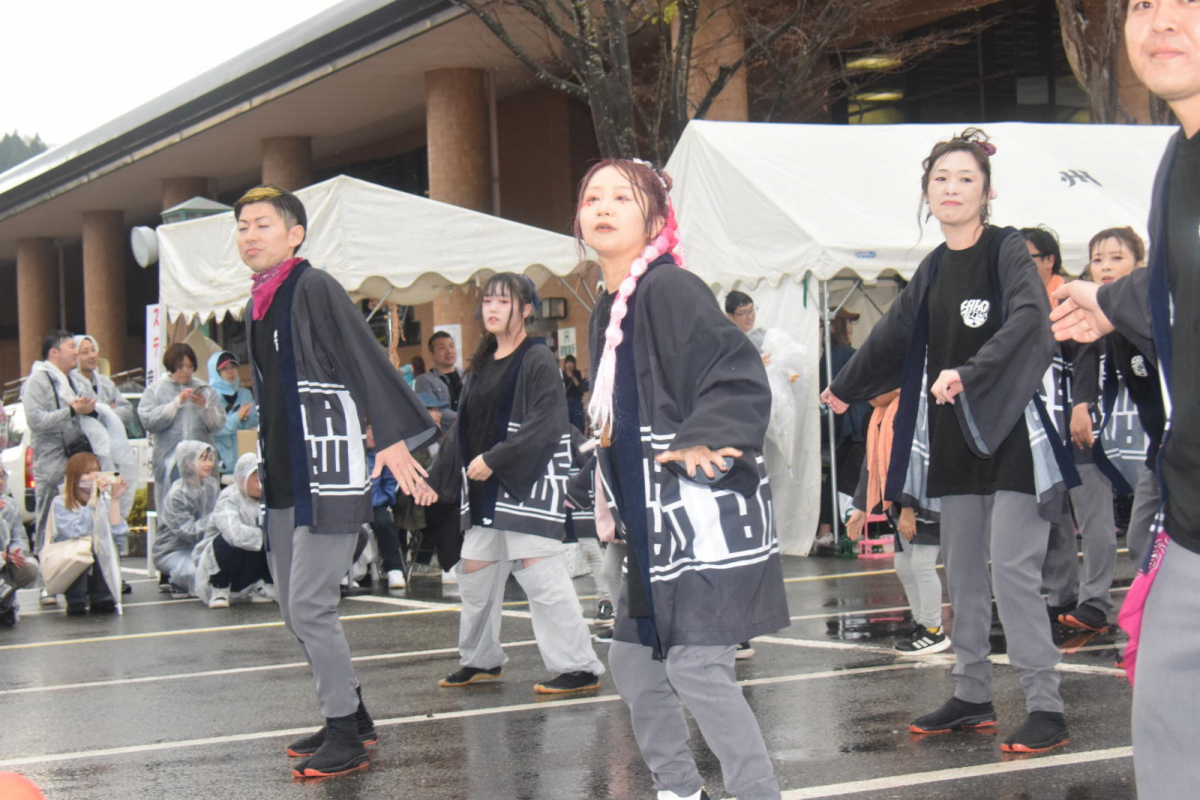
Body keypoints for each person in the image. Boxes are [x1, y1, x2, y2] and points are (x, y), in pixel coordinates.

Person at [823, 128, 1078, 754]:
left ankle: (1046, 704)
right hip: (953, 436)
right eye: (941, 179)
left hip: (1011, 431)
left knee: (1012, 571)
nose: (952, 188)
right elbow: (894, 332)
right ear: (926, 192)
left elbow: (1030, 319)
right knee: (960, 571)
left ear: (987, 192)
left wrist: (971, 370)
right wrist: (846, 388)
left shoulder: (1006, 249)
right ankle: (972, 694)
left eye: (966, 178)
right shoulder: (934, 266)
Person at [578, 158, 787, 800]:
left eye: (622, 197)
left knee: (697, 667)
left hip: (697, 517)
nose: (603, 206)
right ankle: (679, 789)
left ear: (656, 221)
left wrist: (705, 433)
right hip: (652, 529)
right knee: (634, 665)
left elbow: (736, 367)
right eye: (592, 197)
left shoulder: (669, 287)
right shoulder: (608, 307)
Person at [234, 185, 436, 780]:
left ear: (295, 234)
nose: (250, 235)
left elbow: (361, 356)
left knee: (311, 604)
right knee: (293, 610)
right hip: (283, 477)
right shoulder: (256, 304)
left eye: (263, 224)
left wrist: (391, 435)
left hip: (327, 471)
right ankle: (352, 715)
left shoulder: (312, 286)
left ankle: (345, 734)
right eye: (242, 226)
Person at [1049, 6, 1200, 784]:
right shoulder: (1179, 156)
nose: (1161, 20)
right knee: (1169, 732)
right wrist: (1110, 301)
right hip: (1191, 512)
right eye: (1142, 2)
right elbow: (1179, 288)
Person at [426, 272, 605, 695]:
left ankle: (579, 667)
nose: (492, 308)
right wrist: (435, 480)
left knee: (541, 575)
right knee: (474, 575)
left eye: (503, 302)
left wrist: (495, 459)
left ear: (525, 310)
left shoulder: (537, 358)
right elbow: (463, 428)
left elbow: (548, 422)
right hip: (485, 486)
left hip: (527, 482)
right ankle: (480, 660)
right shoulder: (480, 363)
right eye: (488, 300)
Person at [1021, 227, 1121, 634]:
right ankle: (1060, 596)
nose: (1021, 266)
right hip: (1046, 434)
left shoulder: (1071, 298)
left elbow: (1087, 357)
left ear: (1049, 260)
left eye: (1029, 258)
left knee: (1094, 519)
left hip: (1082, 426)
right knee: (1055, 518)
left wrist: (1082, 405)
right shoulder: (1023, 305)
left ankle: (1095, 601)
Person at [845, 389, 947, 655]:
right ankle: (922, 624)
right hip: (901, 503)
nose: (869, 395)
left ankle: (933, 630)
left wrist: (909, 507)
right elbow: (872, 464)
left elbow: (917, 461)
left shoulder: (912, 409)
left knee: (921, 565)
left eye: (876, 388)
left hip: (926, 499)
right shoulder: (879, 415)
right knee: (904, 566)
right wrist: (861, 509)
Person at [1086, 227, 1163, 573]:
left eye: (1117, 258)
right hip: (1159, 450)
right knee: (1140, 538)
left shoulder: (1153, 315)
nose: (1105, 266)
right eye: (1097, 259)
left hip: (1184, 448)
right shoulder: (1110, 324)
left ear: (1140, 265)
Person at [21, 331, 91, 556]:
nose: (76, 352)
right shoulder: (37, 381)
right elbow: (36, 420)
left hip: (77, 461)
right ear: (54, 352)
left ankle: (78, 569)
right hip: (51, 464)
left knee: (79, 518)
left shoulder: (74, 380)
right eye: (71, 347)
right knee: (48, 521)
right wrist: (71, 410)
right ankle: (47, 570)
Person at [138, 343, 224, 514]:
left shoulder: (205, 389)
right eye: (181, 366)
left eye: (190, 366)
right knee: (172, 509)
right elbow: (147, 421)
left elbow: (218, 424)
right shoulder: (155, 390)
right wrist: (174, 405)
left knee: (206, 509)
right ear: (171, 366)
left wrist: (205, 406)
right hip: (169, 463)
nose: (186, 371)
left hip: (202, 463)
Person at [46, 453, 129, 616]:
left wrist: (115, 500)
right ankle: (76, 598)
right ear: (74, 477)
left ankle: (102, 596)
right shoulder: (60, 502)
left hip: (98, 564)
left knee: (103, 545)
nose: (92, 477)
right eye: (86, 473)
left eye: (95, 471)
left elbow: (117, 536)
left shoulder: (103, 501)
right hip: (71, 561)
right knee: (83, 546)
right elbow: (76, 530)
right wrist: (92, 502)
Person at [816, 306, 869, 546]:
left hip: (838, 429)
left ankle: (825, 530)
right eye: (845, 322)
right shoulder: (847, 354)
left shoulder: (827, 356)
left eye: (850, 323)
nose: (849, 327)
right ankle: (847, 530)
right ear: (834, 326)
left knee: (834, 478)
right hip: (852, 429)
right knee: (848, 481)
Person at [192, 452, 274, 609]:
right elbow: (234, 533)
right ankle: (219, 587)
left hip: (248, 567)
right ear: (242, 479)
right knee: (228, 541)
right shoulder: (229, 498)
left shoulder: (268, 499)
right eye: (256, 479)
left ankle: (262, 584)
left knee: (273, 541)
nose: (261, 484)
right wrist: (267, 538)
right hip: (217, 566)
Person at [154, 440, 220, 598]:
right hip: (173, 550)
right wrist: (216, 518)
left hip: (203, 546)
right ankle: (176, 580)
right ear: (189, 463)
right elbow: (188, 532)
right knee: (198, 576)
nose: (209, 464)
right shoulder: (177, 493)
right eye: (203, 459)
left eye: (210, 459)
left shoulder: (211, 485)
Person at [207, 351, 258, 475]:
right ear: (215, 372)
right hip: (219, 465)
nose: (230, 372)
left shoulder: (245, 393)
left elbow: (253, 423)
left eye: (233, 367)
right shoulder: (209, 396)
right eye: (224, 368)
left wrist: (246, 419)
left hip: (245, 462)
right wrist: (237, 417)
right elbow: (214, 428)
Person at [0, 464, 39, 625]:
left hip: (4, 561)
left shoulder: (9, 505)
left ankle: (4, 604)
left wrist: (16, 552)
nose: (0, 481)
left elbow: (19, 537)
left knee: (29, 567)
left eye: (1, 476)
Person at [71, 335, 134, 430]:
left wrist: (103, 414)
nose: (92, 355)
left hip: (111, 437)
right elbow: (79, 419)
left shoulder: (106, 383)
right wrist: (108, 410)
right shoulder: (71, 383)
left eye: (93, 350)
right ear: (75, 356)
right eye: (85, 352)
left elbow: (127, 409)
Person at [561, 354, 588, 433]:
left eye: (571, 362)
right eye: (568, 363)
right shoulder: (562, 374)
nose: (569, 364)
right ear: (565, 365)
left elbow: (579, 386)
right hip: (565, 402)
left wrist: (572, 376)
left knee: (578, 424)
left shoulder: (577, 373)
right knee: (567, 424)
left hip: (576, 402)